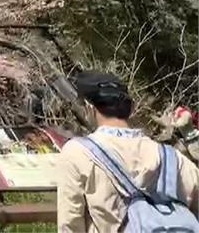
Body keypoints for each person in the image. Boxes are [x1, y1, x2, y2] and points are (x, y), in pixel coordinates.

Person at [56, 70, 199, 232]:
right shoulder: (174, 159)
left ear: (89, 107)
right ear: (130, 109)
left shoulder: (77, 153)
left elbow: (70, 225)